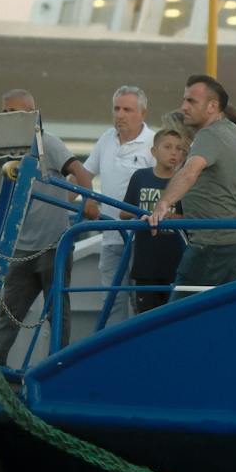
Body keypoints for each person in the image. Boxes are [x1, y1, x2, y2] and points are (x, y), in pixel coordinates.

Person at [0, 91, 89, 354]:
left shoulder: (47, 143)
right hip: (22, 246)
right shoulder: (3, 150)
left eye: (16, 113)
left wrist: (85, 201)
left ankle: (58, 361)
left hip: (53, 243)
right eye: (6, 113)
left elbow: (80, 172)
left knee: (56, 309)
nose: (10, 119)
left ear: (33, 115)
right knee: (10, 308)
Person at [147, 75, 236, 290]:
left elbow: (189, 173)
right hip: (229, 239)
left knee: (179, 316)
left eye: (191, 101)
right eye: (184, 100)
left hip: (211, 243)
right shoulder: (232, 131)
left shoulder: (209, 136)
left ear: (212, 106)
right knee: (219, 312)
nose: (183, 107)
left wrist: (162, 206)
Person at [76, 86, 155, 328]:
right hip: (111, 236)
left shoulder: (154, 143)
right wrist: (88, 198)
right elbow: (84, 173)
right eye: (117, 108)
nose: (120, 114)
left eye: (127, 109)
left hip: (143, 239)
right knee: (111, 301)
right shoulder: (106, 138)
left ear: (143, 113)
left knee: (141, 303)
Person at [122, 127, 189, 312]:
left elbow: (191, 216)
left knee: (173, 316)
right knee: (144, 316)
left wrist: (170, 217)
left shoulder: (184, 181)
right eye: (167, 147)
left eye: (178, 148)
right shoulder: (140, 177)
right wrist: (142, 214)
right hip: (146, 262)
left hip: (175, 261)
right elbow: (124, 212)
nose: (174, 152)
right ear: (154, 151)